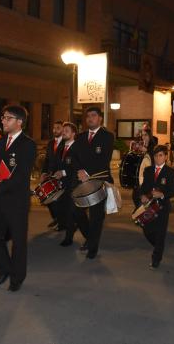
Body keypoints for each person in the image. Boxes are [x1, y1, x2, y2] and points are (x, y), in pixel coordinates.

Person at [0, 105, 37, 292]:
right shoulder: (1, 142)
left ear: (19, 122)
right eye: (3, 117)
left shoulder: (28, 144)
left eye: (7, 118)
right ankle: (4, 270)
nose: (3, 121)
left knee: (18, 240)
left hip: (16, 200)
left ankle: (17, 277)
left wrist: (1, 185)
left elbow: (22, 174)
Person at [70, 107, 115, 259]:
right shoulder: (80, 137)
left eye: (93, 116)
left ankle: (92, 248)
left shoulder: (107, 136)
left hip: (99, 180)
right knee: (76, 211)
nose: (90, 118)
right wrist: (80, 170)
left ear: (100, 118)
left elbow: (104, 159)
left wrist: (87, 172)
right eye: (88, 116)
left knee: (96, 216)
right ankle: (90, 238)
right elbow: (73, 156)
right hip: (81, 180)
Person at [138, 145, 174, 269]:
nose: (157, 158)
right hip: (149, 206)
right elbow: (143, 186)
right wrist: (142, 195)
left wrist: (162, 194)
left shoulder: (170, 172)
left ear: (165, 157)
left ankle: (156, 259)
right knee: (147, 229)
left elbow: (173, 190)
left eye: (160, 155)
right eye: (155, 155)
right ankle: (159, 246)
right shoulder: (148, 170)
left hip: (163, 207)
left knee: (160, 233)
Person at [52, 122, 79, 247]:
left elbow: (77, 166)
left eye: (67, 130)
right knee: (60, 209)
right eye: (63, 130)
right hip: (61, 185)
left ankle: (69, 237)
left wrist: (63, 172)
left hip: (73, 185)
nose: (63, 132)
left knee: (70, 212)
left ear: (73, 133)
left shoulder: (77, 148)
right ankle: (73, 226)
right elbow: (56, 164)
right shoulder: (61, 148)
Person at [41, 121, 64, 230]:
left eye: (58, 128)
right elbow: (47, 159)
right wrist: (43, 172)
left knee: (59, 200)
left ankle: (61, 221)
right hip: (50, 175)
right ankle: (56, 218)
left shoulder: (66, 142)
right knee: (48, 198)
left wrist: (62, 172)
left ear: (63, 130)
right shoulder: (50, 143)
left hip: (61, 176)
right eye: (54, 128)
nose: (55, 130)